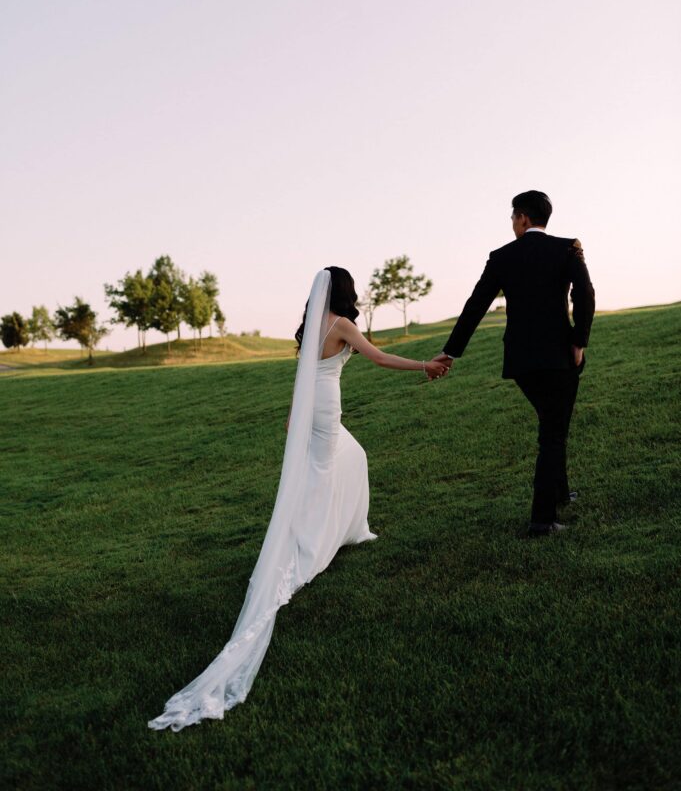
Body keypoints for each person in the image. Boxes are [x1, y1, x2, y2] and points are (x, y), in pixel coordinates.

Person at [149, 266, 446, 731]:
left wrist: (293, 413)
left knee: (350, 459)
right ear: (346, 290)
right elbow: (379, 358)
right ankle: (310, 548)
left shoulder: (312, 323)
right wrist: (424, 365)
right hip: (326, 409)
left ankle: (347, 529)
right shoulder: (341, 324)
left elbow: (303, 372)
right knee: (325, 473)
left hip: (314, 406)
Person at [431, 191, 595, 537]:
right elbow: (585, 294)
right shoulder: (567, 248)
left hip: (521, 362)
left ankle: (560, 494)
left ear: (522, 218)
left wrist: (451, 351)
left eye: (512, 218)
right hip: (560, 357)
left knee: (553, 424)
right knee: (554, 431)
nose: (512, 224)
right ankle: (542, 520)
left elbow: (476, 304)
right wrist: (579, 340)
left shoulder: (501, 257)